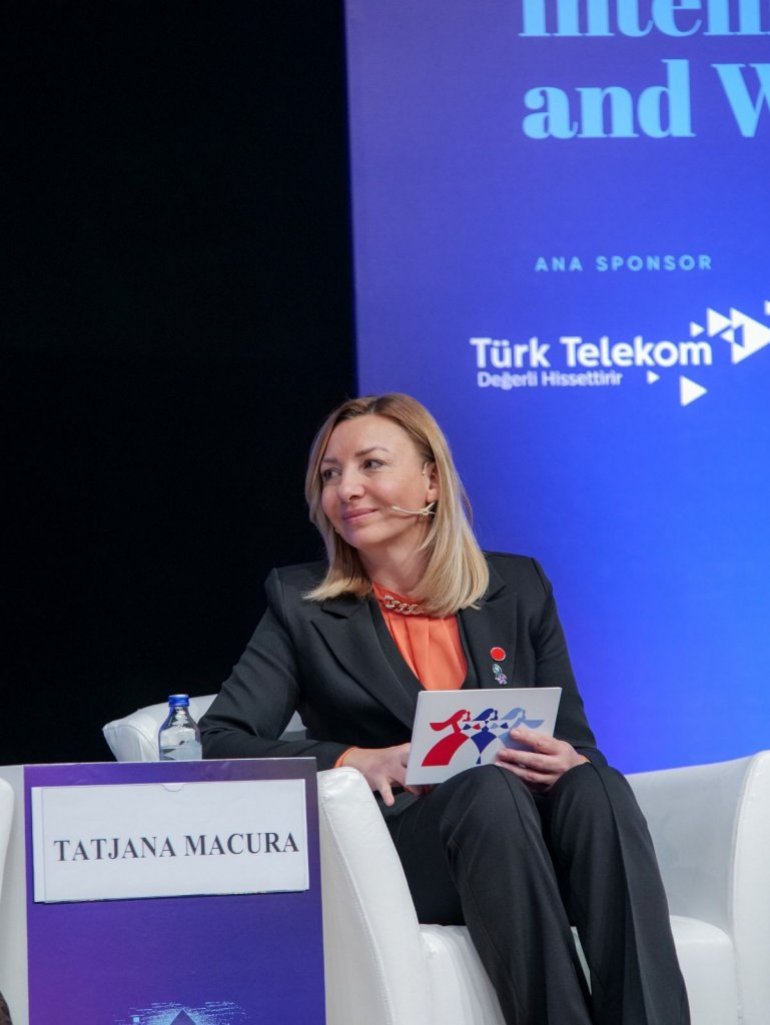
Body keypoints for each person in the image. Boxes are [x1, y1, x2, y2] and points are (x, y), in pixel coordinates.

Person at [201, 393, 690, 1025]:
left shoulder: (518, 588)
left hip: (533, 848)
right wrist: (355, 759)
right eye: (330, 474)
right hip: (414, 854)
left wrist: (568, 759)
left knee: (597, 784)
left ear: (431, 481)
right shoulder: (302, 603)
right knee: (485, 788)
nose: (347, 489)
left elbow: (576, 740)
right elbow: (225, 738)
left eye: (371, 465)